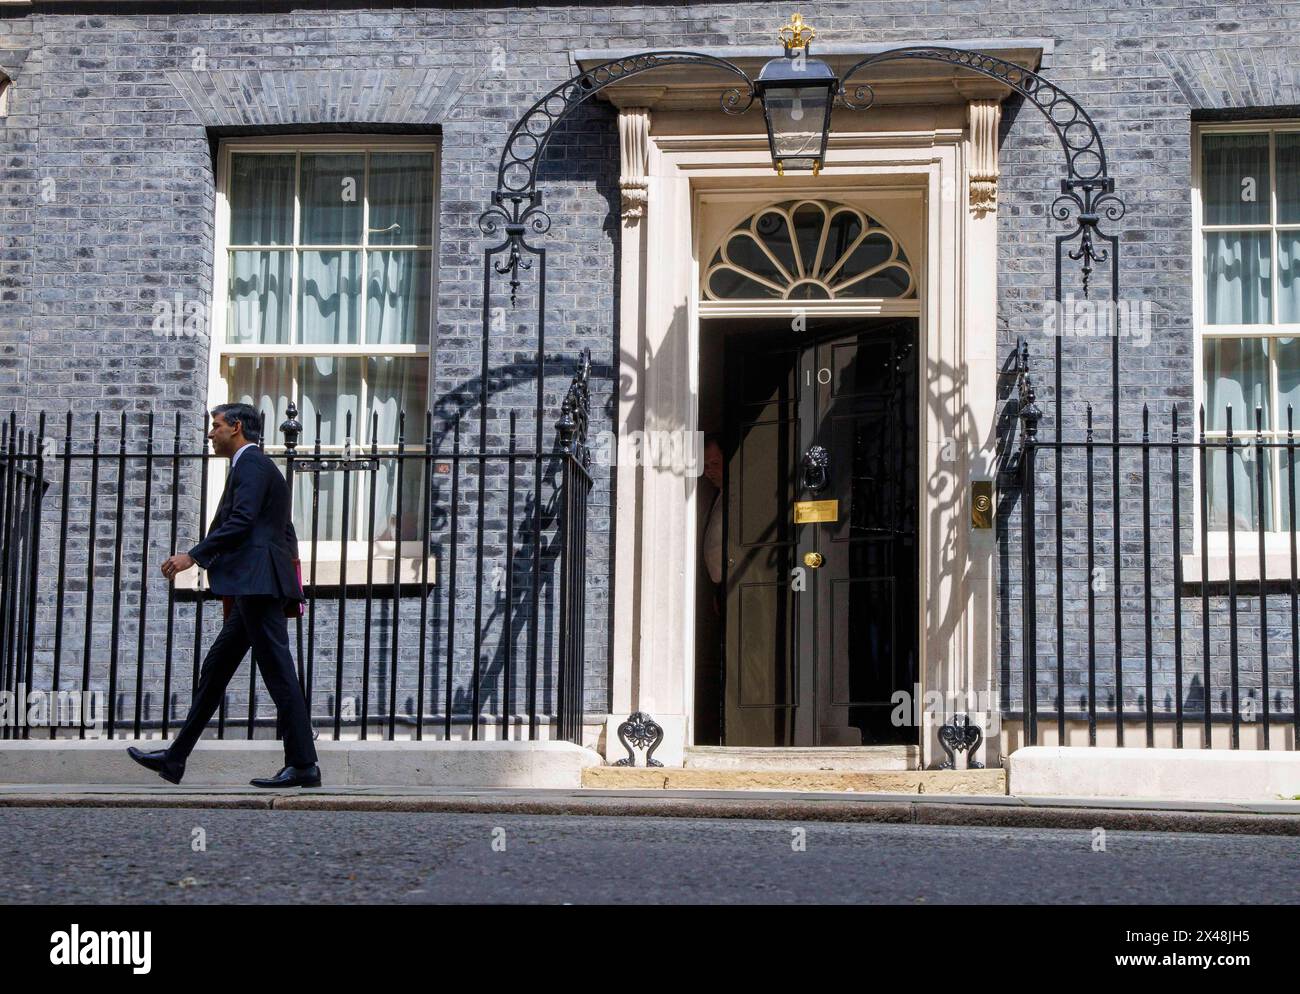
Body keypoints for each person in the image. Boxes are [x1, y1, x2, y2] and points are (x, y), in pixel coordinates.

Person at [127, 403, 320, 788]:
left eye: (216, 426)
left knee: (279, 673)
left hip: (257, 585)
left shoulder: (251, 465)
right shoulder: (257, 467)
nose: (210, 434)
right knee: (216, 668)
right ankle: (175, 758)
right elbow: (282, 531)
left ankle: (303, 764)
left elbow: (242, 521)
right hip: (256, 584)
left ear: (236, 427)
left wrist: (193, 556)